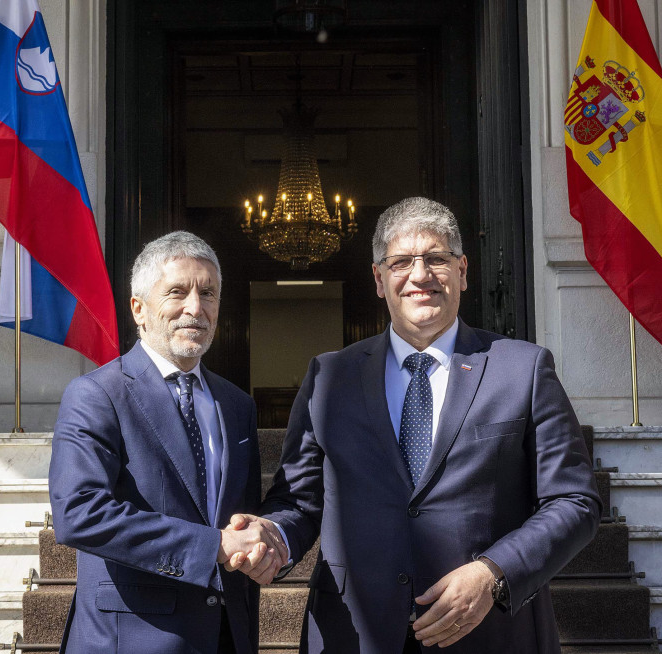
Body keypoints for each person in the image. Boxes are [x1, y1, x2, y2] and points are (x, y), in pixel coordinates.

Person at [228, 197, 601, 653]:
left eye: (436, 259)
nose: (420, 275)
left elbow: (575, 501)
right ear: (379, 279)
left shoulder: (523, 369)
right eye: (401, 261)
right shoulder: (329, 376)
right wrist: (274, 536)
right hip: (355, 634)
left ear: (463, 271)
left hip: (490, 634)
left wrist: (493, 573)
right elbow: (299, 501)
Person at [49, 231, 287, 654]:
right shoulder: (97, 394)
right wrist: (214, 546)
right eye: (177, 292)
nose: (195, 308)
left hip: (226, 636)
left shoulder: (236, 405)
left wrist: (262, 542)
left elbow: (239, 520)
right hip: (130, 640)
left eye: (208, 293)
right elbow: (79, 514)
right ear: (139, 309)